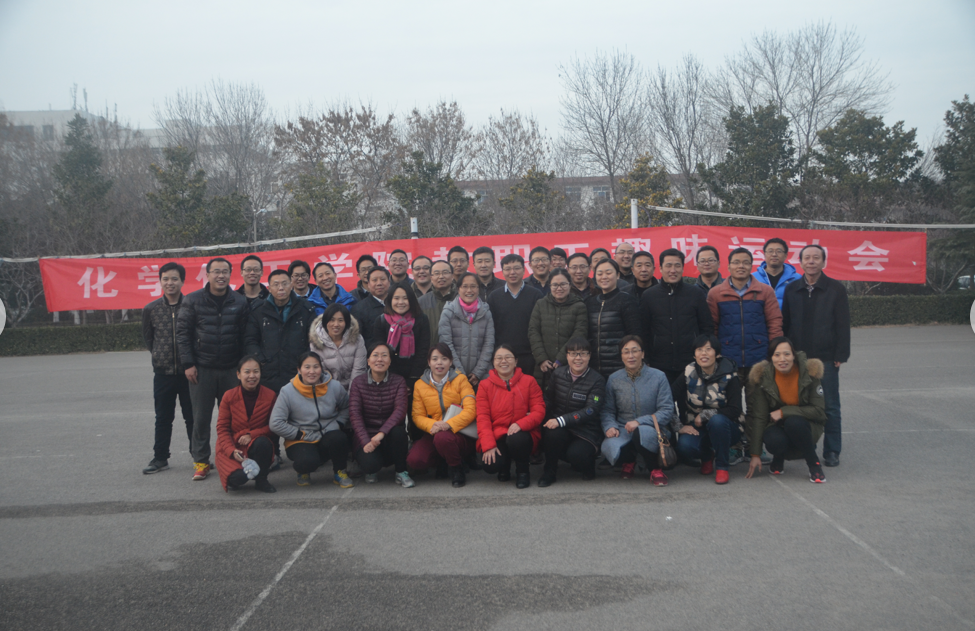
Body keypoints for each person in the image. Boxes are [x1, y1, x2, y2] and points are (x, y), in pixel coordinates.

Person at [177, 257, 250, 481]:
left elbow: (245, 337)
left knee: (234, 419)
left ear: (230, 274)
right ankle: (201, 461)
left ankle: (234, 458)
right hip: (202, 369)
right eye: (216, 271)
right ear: (207, 275)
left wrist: (243, 368)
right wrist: (188, 364)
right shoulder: (193, 300)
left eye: (225, 271)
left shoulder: (240, 301)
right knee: (201, 418)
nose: (221, 276)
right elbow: (183, 334)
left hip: (231, 369)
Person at [781, 244, 850, 468]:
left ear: (823, 262)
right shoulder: (792, 289)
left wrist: (841, 353)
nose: (811, 261)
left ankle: (832, 450)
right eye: (807, 258)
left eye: (816, 258)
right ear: (800, 262)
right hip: (797, 358)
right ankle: (803, 447)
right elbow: (785, 323)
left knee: (830, 406)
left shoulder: (836, 289)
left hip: (825, 358)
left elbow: (843, 324)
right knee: (798, 404)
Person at [745, 337, 827, 483]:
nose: (782, 359)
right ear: (771, 358)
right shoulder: (764, 378)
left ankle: (813, 463)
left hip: (806, 424)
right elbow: (759, 417)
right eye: (777, 355)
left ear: (794, 355)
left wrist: (784, 412)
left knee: (794, 423)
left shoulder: (810, 373)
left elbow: (819, 411)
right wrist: (755, 454)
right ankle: (778, 457)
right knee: (774, 440)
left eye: (787, 354)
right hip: (777, 424)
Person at [600, 336, 678, 486]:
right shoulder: (614, 378)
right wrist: (610, 426)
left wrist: (639, 422)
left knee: (641, 433)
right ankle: (629, 461)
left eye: (635, 351)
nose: (631, 356)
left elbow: (667, 409)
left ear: (642, 354)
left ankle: (655, 469)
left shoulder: (659, 376)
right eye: (626, 352)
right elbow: (607, 410)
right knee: (610, 444)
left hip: (653, 428)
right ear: (621, 356)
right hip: (623, 428)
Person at [269, 352, 354, 488]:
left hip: (327, 433)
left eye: (316, 367)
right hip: (301, 439)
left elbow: (347, 407)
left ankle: (340, 472)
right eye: (307, 367)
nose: (312, 371)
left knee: (339, 438)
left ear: (321, 368)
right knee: (307, 462)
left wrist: (337, 423)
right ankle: (304, 470)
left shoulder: (334, 386)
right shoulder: (287, 391)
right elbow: (275, 423)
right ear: (299, 369)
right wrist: (299, 434)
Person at [141, 262, 193, 474]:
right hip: (163, 374)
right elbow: (149, 339)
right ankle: (160, 458)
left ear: (182, 281)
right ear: (160, 281)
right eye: (165, 279)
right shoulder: (151, 309)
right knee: (163, 418)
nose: (170, 283)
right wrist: (159, 356)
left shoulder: (191, 306)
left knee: (192, 417)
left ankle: (199, 457)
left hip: (189, 373)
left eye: (174, 279)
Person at [672, 335, 742, 485]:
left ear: (717, 354)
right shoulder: (688, 372)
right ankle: (706, 456)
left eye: (708, 349)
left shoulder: (730, 374)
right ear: (694, 355)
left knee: (717, 421)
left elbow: (735, 409)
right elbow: (667, 399)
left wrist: (706, 414)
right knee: (684, 447)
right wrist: (679, 426)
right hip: (697, 427)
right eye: (699, 350)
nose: (703, 353)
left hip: (727, 427)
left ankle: (722, 467)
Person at [707, 247, 783, 382]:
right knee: (730, 395)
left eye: (745, 262)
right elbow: (712, 326)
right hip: (727, 358)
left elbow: (774, 323)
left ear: (751, 266)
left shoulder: (765, 291)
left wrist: (775, 351)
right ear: (728, 266)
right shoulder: (715, 293)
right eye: (736, 262)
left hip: (759, 358)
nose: (741, 266)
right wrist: (715, 352)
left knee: (758, 396)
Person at [639, 248, 714, 385]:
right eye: (668, 265)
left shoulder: (695, 293)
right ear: (660, 268)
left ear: (683, 268)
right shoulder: (649, 295)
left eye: (677, 265)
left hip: (691, 363)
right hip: (659, 364)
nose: (673, 270)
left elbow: (706, 327)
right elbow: (644, 331)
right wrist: (646, 359)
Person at [407, 344, 478, 487]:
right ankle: (443, 461)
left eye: (444, 359)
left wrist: (448, 425)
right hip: (434, 431)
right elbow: (417, 415)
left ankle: (456, 468)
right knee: (415, 460)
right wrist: (434, 425)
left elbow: (471, 410)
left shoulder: (461, 380)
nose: (439, 363)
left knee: (443, 438)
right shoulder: (420, 384)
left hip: (460, 432)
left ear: (450, 362)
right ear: (429, 362)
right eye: (435, 359)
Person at [476, 345, 546, 489]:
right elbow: (483, 417)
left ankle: (523, 471)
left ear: (516, 361)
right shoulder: (484, 385)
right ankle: (504, 466)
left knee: (517, 438)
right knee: (491, 465)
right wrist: (488, 445)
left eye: (508, 357)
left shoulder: (529, 381)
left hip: (523, 434)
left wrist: (521, 424)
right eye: (499, 358)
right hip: (497, 433)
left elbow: (539, 410)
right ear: (493, 362)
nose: (503, 361)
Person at [538, 337, 605, 486]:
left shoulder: (597, 380)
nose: (578, 358)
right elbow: (548, 399)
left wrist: (561, 420)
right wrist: (537, 414)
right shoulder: (558, 374)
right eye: (573, 353)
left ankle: (587, 466)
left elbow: (590, 410)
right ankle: (549, 472)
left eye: (583, 353)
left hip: (586, 430)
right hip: (561, 426)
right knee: (550, 434)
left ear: (589, 356)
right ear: (567, 356)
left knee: (577, 455)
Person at [349, 343, 413, 487]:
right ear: (368, 361)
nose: (380, 359)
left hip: (389, 435)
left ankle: (401, 471)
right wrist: (365, 440)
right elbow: (355, 414)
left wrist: (381, 433)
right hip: (366, 435)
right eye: (375, 355)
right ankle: (371, 467)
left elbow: (400, 411)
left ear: (390, 361)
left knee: (399, 432)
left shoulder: (399, 381)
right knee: (370, 465)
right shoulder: (358, 382)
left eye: (384, 355)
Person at [244, 269, 315, 394]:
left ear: (291, 285)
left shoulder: (305, 309)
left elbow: (313, 340)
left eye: (285, 283)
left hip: (297, 372)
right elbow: (250, 340)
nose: (281, 288)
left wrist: (305, 362)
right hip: (268, 373)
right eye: (276, 284)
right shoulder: (258, 311)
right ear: (269, 288)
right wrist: (261, 360)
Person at [215, 356, 277, 493]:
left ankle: (261, 480)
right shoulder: (228, 396)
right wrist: (231, 450)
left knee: (263, 443)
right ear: (238, 374)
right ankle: (239, 473)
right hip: (232, 444)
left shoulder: (270, 395)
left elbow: (274, 426)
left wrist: (252, 434)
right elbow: (222, 428)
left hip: (255, 442)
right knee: (237, 479)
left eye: (256, 371)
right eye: (247, 372)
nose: (252, 376)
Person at [528, 268, 588, 390]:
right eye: (555, 285)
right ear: (550, 286)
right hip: (543, 367)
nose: (559, 288)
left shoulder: (579, 306)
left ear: (570, 285)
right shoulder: (541, 304)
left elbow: (579, 333)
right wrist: (542, 359)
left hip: (570, 364)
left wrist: (561, 359)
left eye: (563, 284)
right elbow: (533, 331)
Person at [487, 254, 543, 377]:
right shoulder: (494, 297)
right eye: (507, 269)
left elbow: (541, 325)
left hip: (529, 355)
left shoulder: (535, 294)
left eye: (517, 268)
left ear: (524, 270)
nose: (512, 272)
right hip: (503, 356)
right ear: (502, 272)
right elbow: (491, 328)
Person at [586, 258, 642, 379]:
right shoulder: (590, 302)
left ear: (617, 275)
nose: (604, 277)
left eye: (608, 272)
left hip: (620, 366)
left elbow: (635, 334)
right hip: (594, 367)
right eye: (599, 273)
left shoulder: (626, 300)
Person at [438, 272, 495, 388]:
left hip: (482, 375)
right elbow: (446, 344)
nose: (469, 290)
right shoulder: (448, 312)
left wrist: (478, 372)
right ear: (458, 289)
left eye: (473, 286)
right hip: (453, 373)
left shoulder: (485, 312)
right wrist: (460, 373)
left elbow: (489, 344)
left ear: (478, 289)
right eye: (465, 286)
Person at [372, 285, 431, 389]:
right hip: (389, 377)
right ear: (390, 300)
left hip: (416, 376)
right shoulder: (381, 321)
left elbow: (423, 350)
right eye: (396, 298)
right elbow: (381, 351)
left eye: (405, 298)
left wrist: (412, 379)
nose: (400, 302)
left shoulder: (421, 319)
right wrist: (395, 380)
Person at [308, 303, 367, 391]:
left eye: (340, 320)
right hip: (329, 389)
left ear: (346, 322)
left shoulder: (357, 339)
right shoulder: (316, 341)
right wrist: (334, 394)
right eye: (332, 320)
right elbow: (322, 374)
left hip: (355, 388)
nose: (336, 324)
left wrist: (352, 394)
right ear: (325, 321)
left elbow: (359, 370)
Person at [753, 238, 802, 309]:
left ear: (785, 255)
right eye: (770, 251)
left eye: (779, 251)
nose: (774, 254)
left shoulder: (796, 278)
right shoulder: (753, 278)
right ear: (764, 254)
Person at [350, 266, 391, 348]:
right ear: (368, 284)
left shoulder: (397, 304)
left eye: (383, 279)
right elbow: (356, 340)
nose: (379, 283)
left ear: (389, 282)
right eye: (374, 280)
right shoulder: (358, 309)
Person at [418, 260, 456, 345]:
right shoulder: (421, 302)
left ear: (452, 276)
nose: (441, 277)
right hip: (430, 351)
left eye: (445, 272)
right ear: (431, 278)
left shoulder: (461, 299)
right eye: (436, 273)